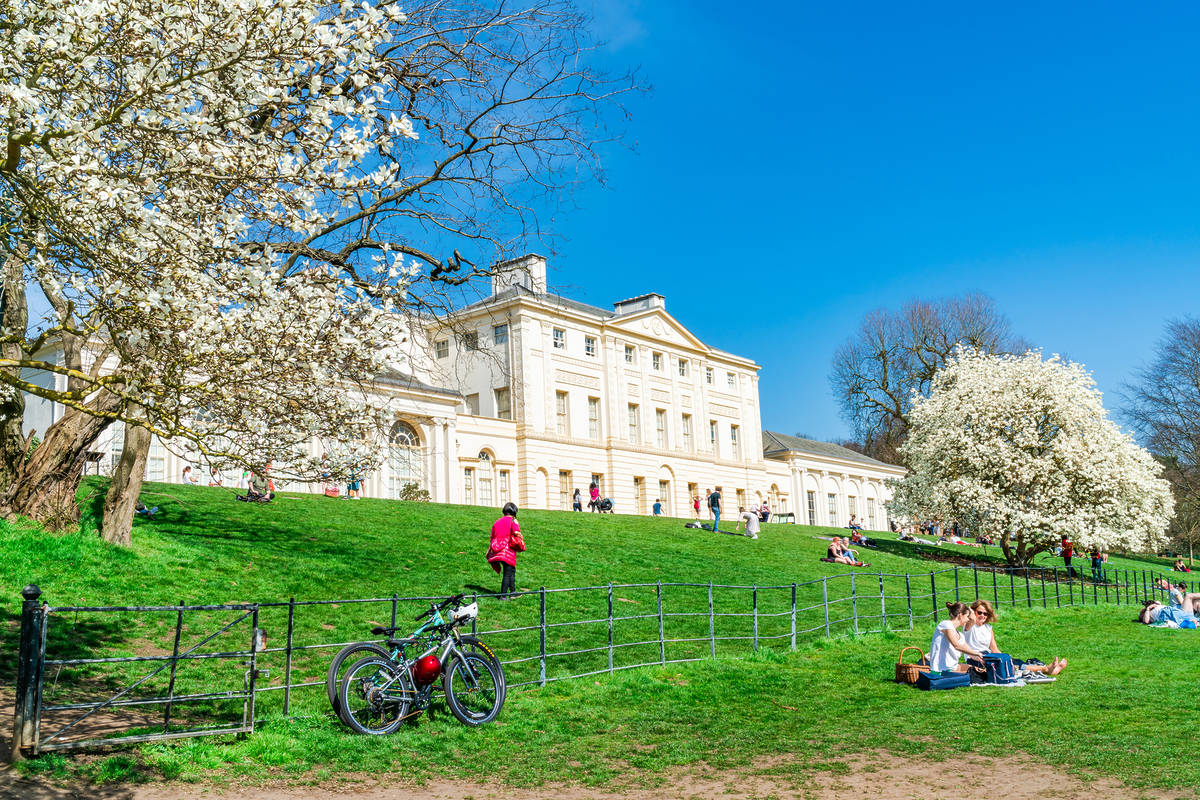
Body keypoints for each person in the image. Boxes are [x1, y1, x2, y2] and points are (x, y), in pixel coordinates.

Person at [963, 600, 1066, 676]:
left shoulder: (988, 628)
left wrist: (1006, 658)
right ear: (974, 612)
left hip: (989, 655)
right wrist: (972, 610)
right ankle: (1047, 669)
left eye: (985, 613)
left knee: (1014, 662)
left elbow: (994, 648)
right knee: (1010, 666)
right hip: (975, 658)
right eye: (979, 612)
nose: (982, 616)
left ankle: (1047, 669)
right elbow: (970, 615)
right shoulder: (969, 626)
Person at [929, 602, 987, 673]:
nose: (968, 619)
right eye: (967, 617)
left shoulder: (961, 635)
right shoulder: (945, 624)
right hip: (941, 670)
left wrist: (980, 658)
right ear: (960, 615)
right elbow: (956, 646)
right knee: (974, 674)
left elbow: (969, 651)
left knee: (981, 671)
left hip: (954, 667)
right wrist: (977, 653)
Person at [487, 502, 525, 597]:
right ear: (514, 511)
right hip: (507, 550)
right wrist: (521, 538)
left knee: (511, 570)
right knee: (508, 573)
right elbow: (517, 533)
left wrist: (488, 552)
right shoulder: (513, 521)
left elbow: (492, 537)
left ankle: (513, 592)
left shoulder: (497, 522)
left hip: (497, 551)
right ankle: (503, 596)